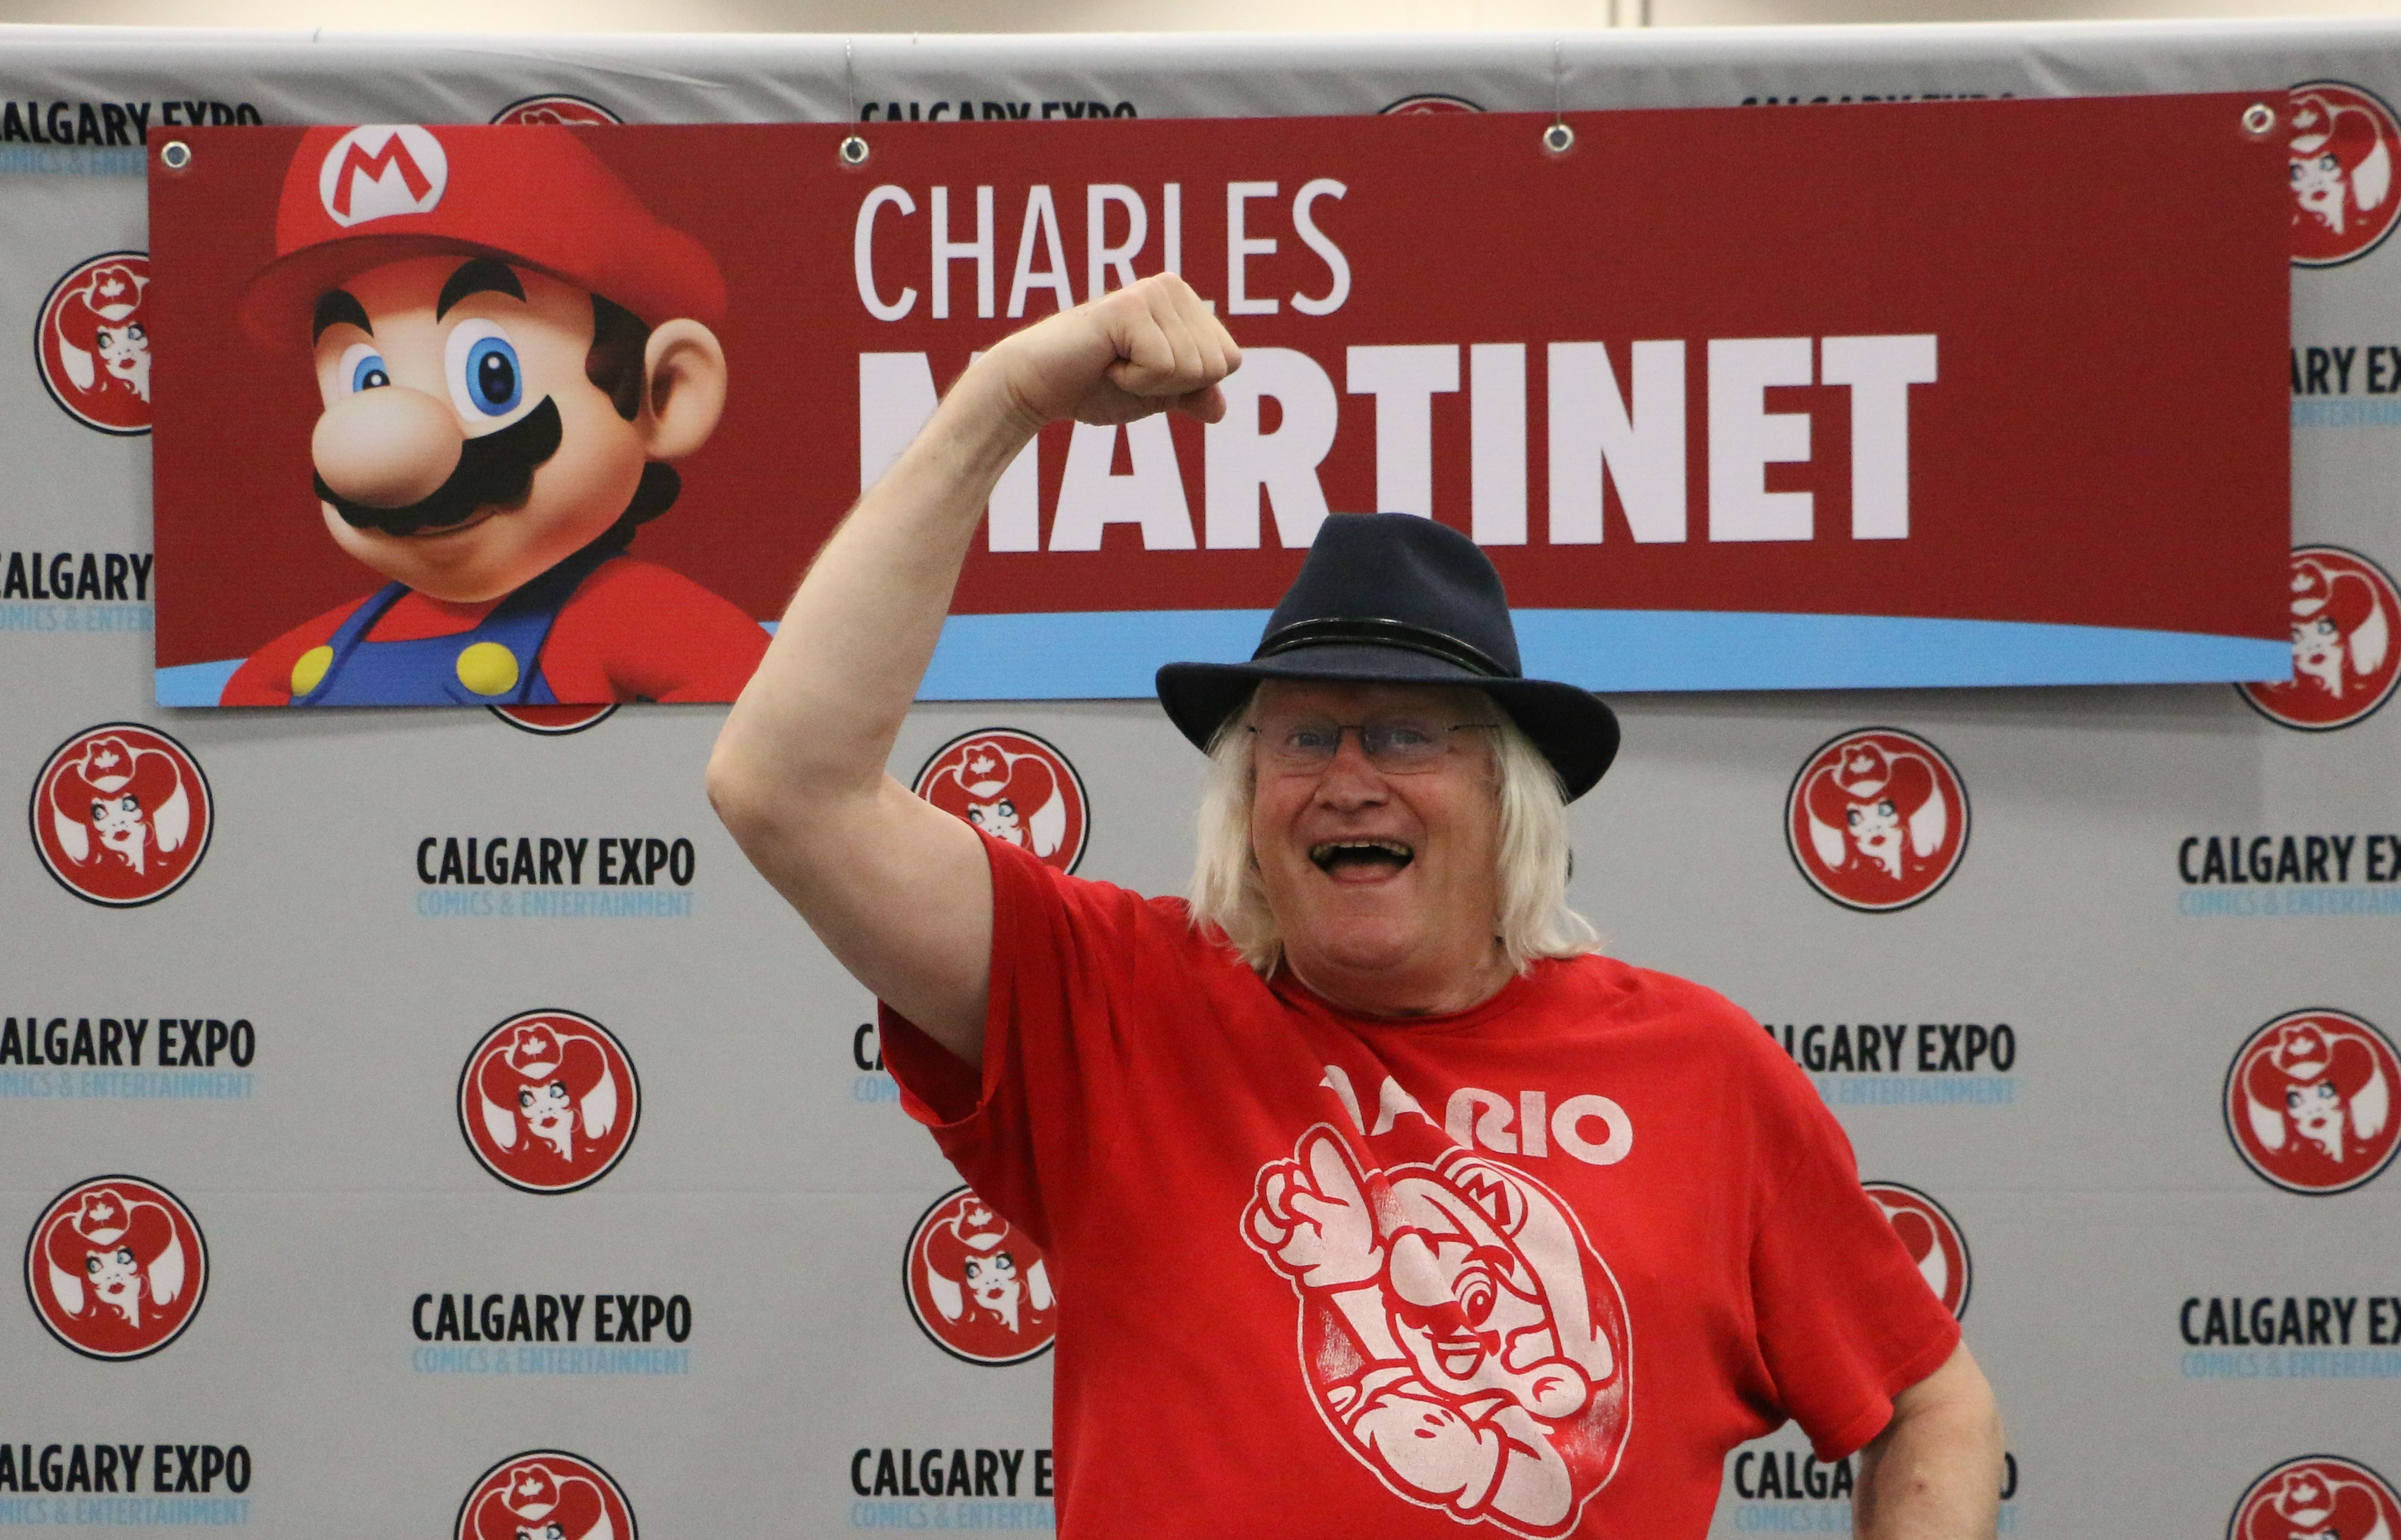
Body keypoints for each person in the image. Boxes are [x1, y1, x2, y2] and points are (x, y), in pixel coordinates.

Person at [708, 273, 2003, 1538]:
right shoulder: (1116, 1006)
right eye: (1300, 739)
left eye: (1402, 737)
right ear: (1247, 801)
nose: (1344, 784)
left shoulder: (1706, 1073)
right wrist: (998, 403)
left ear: (1508, 797)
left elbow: (1928, 1400)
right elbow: (785, 787)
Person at [222, 125, 768, 707]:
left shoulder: (629, 617)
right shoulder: (333, 643)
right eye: (367, 382)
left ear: (665, 393)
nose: (387, 455)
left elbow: (755, 728)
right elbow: (250, 695)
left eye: (491, 376)